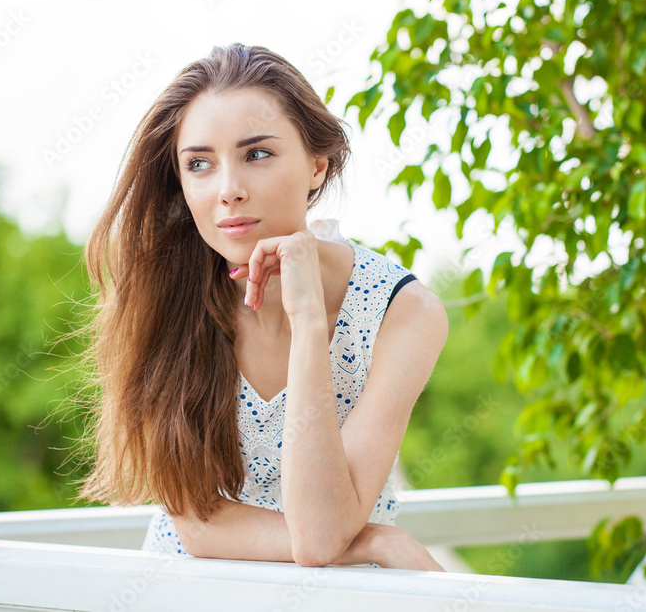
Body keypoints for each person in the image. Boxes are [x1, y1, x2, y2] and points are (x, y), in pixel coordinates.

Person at [78, 43, 448, 571]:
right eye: (200, 164)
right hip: (189, 594)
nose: (228, 190)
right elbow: (201, 523)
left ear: (317, 165)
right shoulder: (165, 295)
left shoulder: (401, 311)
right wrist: (375, 543)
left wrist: (308, 321)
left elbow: (320, 534)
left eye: (256, 154)